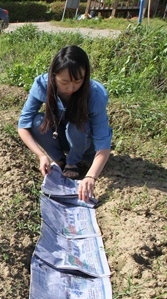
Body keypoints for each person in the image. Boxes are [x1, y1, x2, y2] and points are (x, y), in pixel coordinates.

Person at [17, 45, 112, 202]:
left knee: (77, 124)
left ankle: (74, 162)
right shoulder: (42, 84)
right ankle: (61, 160)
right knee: (37, 121)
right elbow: (23, 125)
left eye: (77, 81)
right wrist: (41, 155)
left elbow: (104, 144)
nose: (71, 88)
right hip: (60, 137)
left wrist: (91, 176)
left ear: (85, 77)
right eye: (64, 82)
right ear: (53, 76)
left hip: (85, 144)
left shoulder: (95, 94)